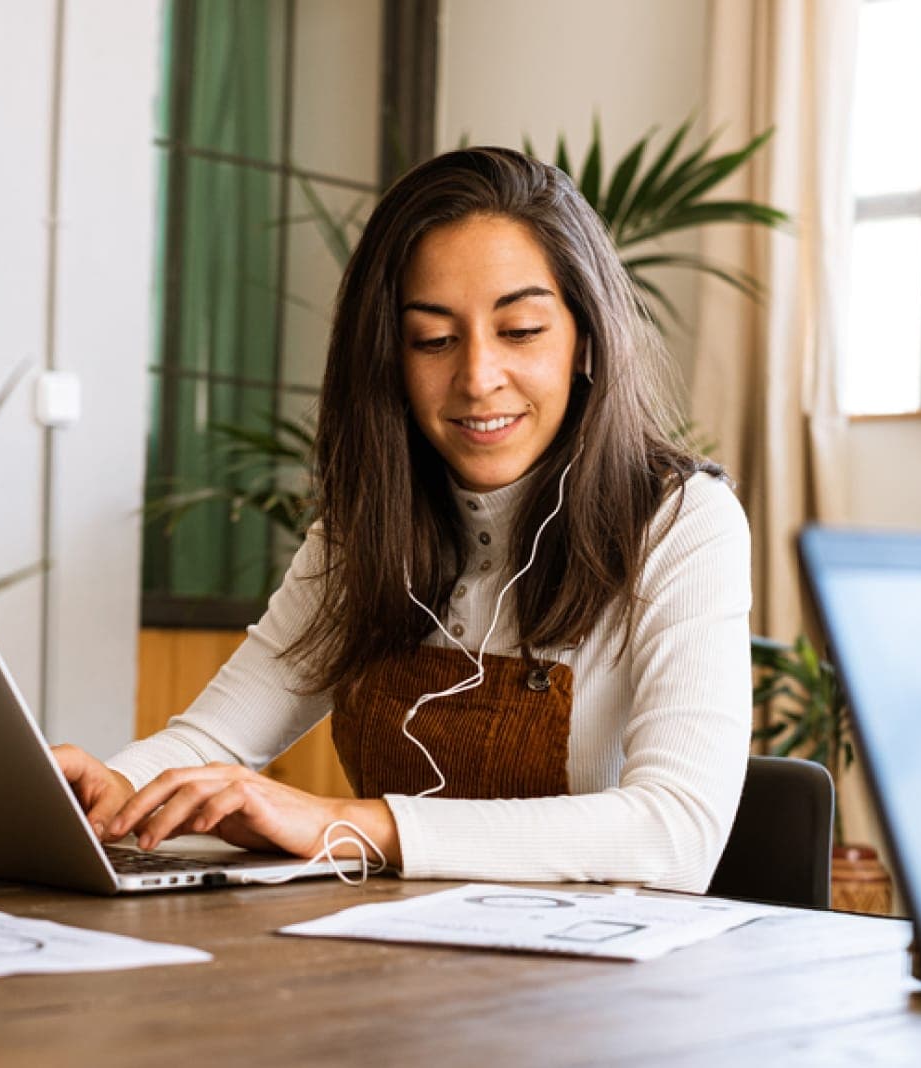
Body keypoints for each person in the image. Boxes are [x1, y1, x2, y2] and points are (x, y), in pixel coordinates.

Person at [55, 146, 752, 894]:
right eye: (433, 340)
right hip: (384, 971)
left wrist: (347, 825)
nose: (478, 378)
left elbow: (676, 833)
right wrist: (107, 794)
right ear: (389, 357)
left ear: (586, 340)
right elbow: (214, 741)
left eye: (520, 331)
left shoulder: (681, 523)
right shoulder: (366, 530)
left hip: (586, 998)